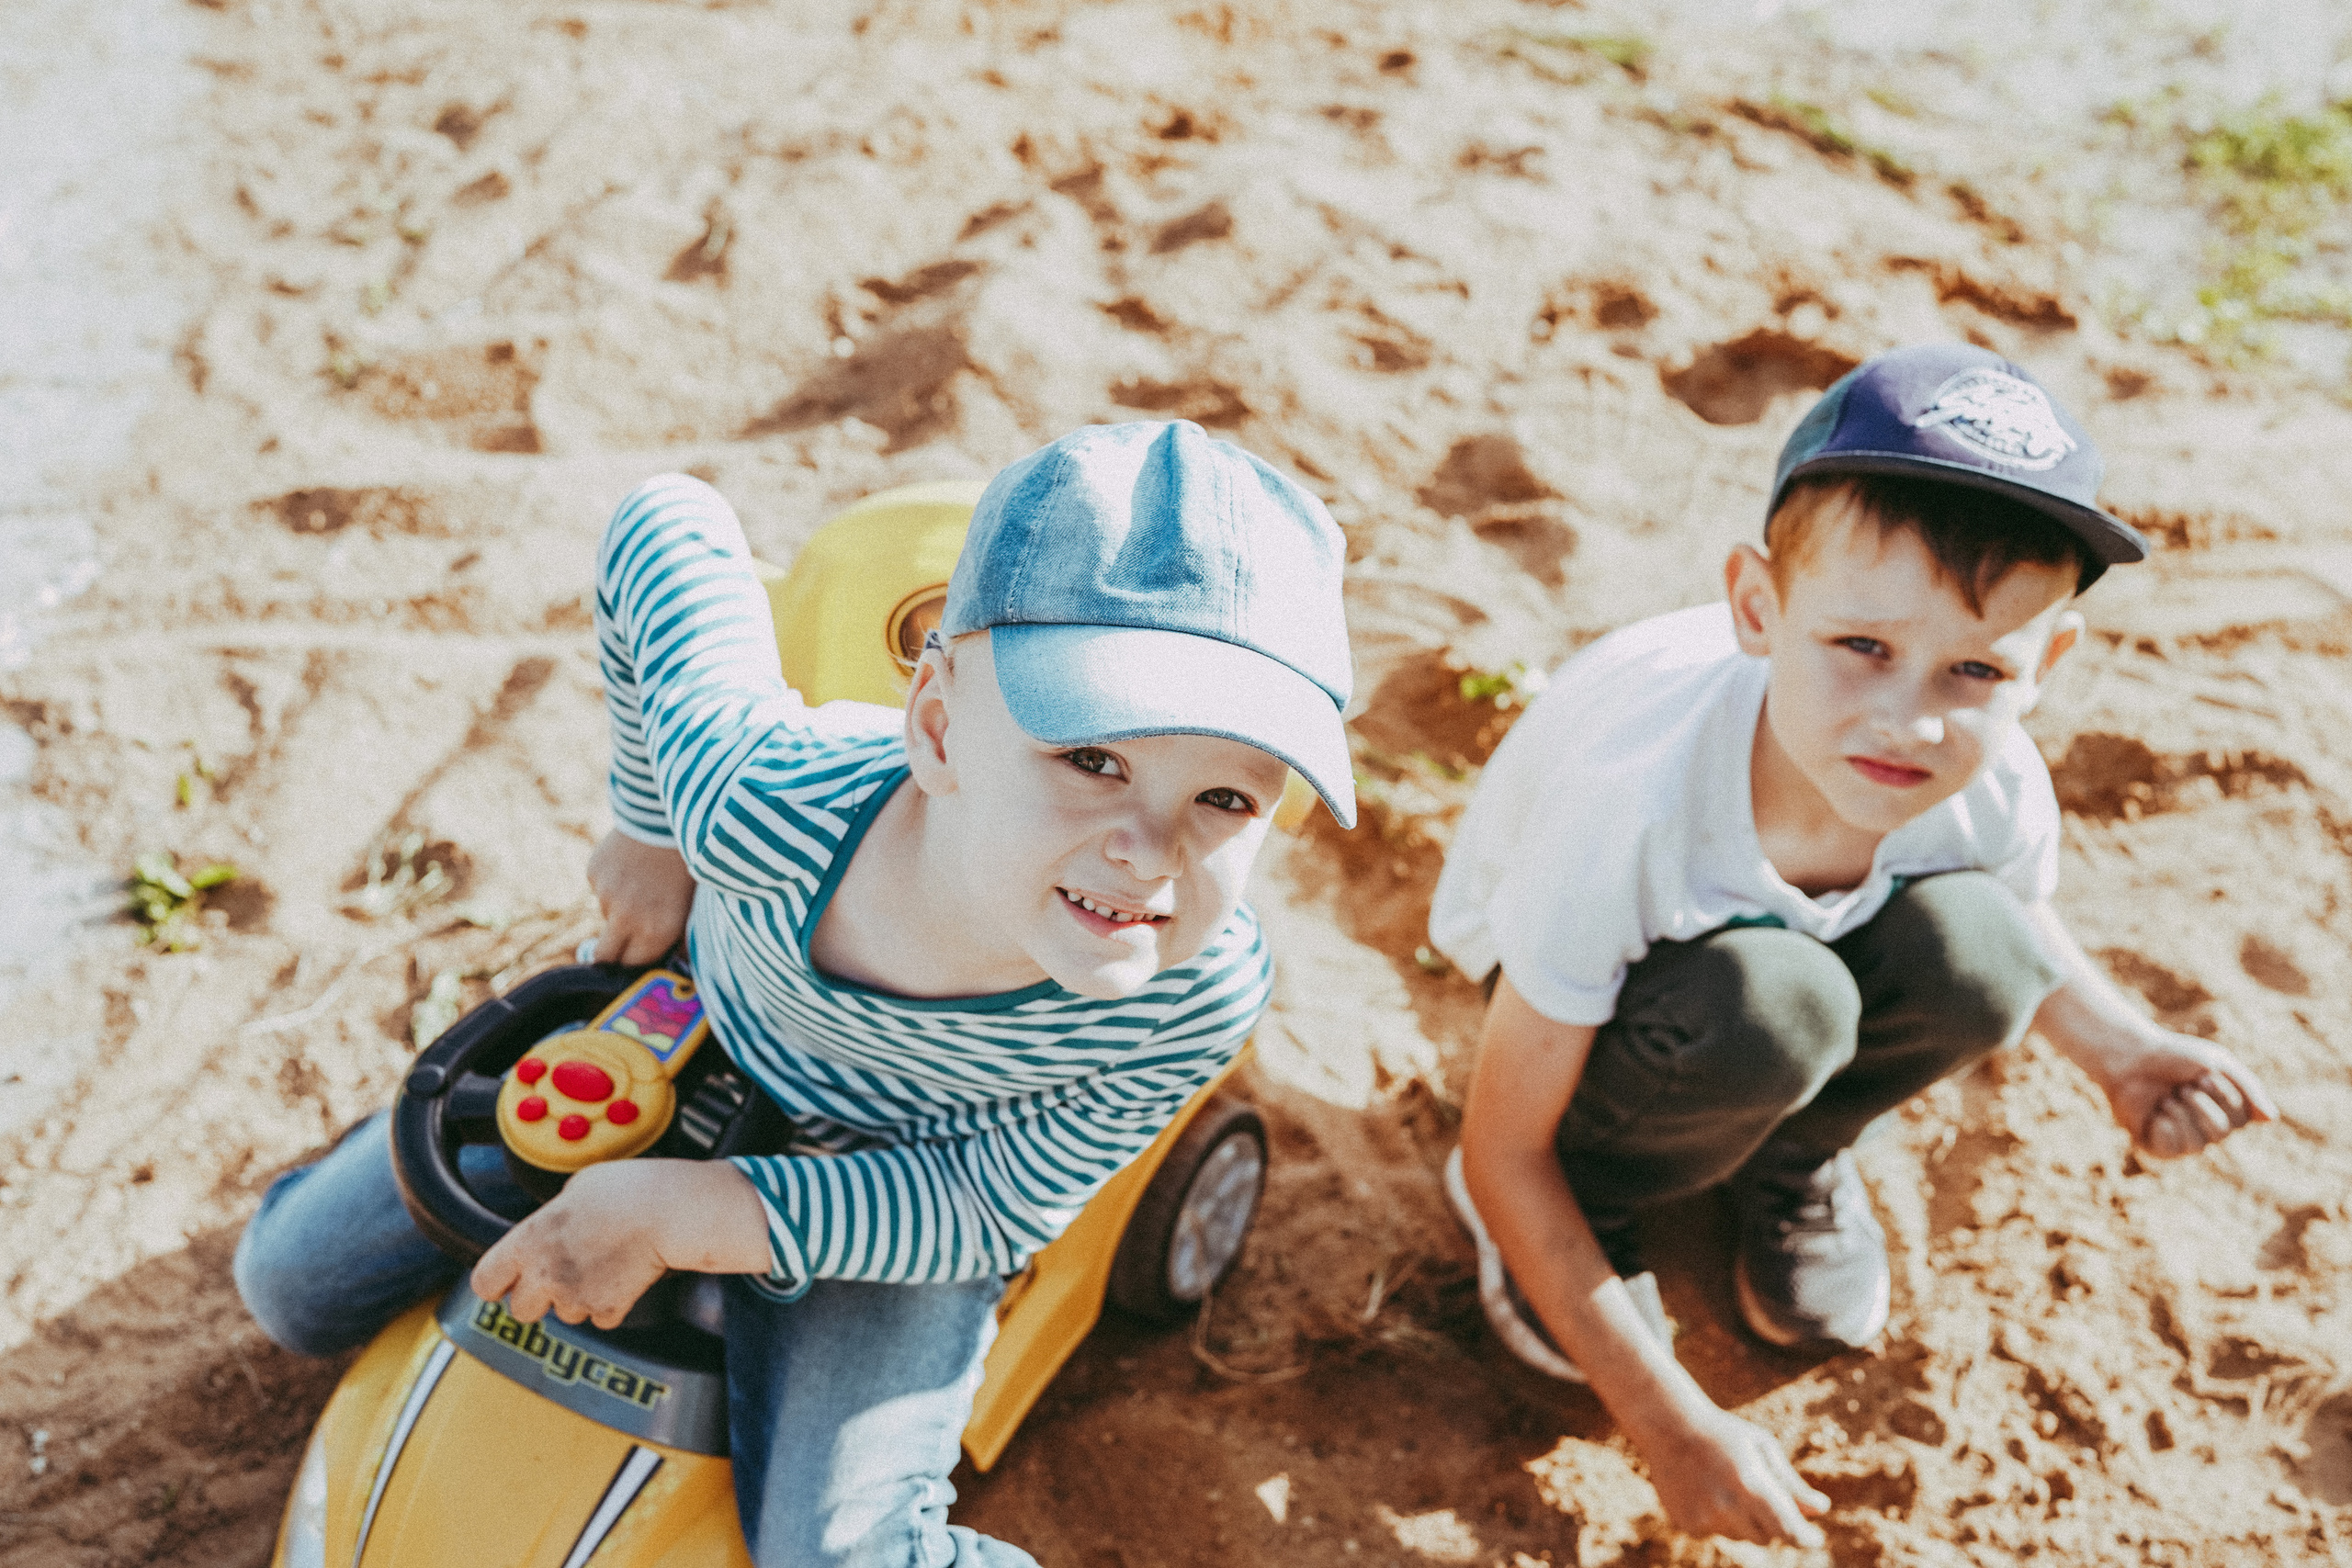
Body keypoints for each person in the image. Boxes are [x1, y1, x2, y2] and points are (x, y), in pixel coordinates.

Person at [232, 420, 1357, 1567]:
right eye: (1091, 760)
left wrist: (690, 1211)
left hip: (913, 1177)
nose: (1151, 851)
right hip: (703, 1023)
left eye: (1226, 798)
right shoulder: (762, 797)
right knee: (288, 1286)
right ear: (935, 724)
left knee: (842, 1551)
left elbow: (984, 1208)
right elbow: (662, 524)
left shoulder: (1190, 997)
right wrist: (652, 826)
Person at [1427, 344, 2277, 1549]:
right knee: (1774, 1006)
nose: (1912, 719)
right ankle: (1605, 1198)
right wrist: (1665, 1417)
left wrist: (2121, 1050)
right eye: (1862, 647)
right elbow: (1498, 1143)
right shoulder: (1630, 808)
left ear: (2049, 664)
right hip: (1591, 987)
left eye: (1977, 667)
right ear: (1759, 607)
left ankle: (1792, 1150)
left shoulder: (1988, 779)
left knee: (1982, 950)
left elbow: (2017, 922)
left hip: (1757, 966)